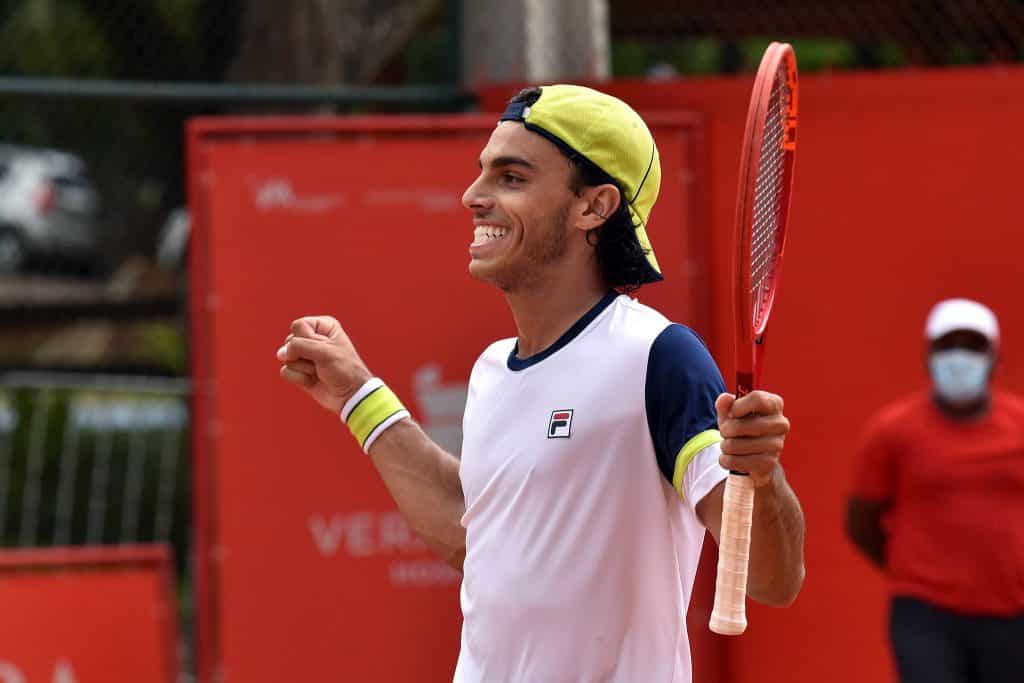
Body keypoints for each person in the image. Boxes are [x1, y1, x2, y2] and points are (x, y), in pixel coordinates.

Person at [277, 85, 805, 682]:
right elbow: (477, 533)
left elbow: (769, 577)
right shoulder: (490, 371)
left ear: (594, 206)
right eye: (483, 174)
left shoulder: (659, 357)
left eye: (511, 177)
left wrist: (762, 474)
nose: (473, 197)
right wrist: (357, 396)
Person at [846, 298, 1024, 683]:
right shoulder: (892, 430)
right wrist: (914, 570)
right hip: (925, 613)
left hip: (1012, 611)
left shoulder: (1020, 426)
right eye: (949, 345)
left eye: (972, 346)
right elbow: (861, 521)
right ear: (929, 355)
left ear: (993, 356)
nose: (960, 357)